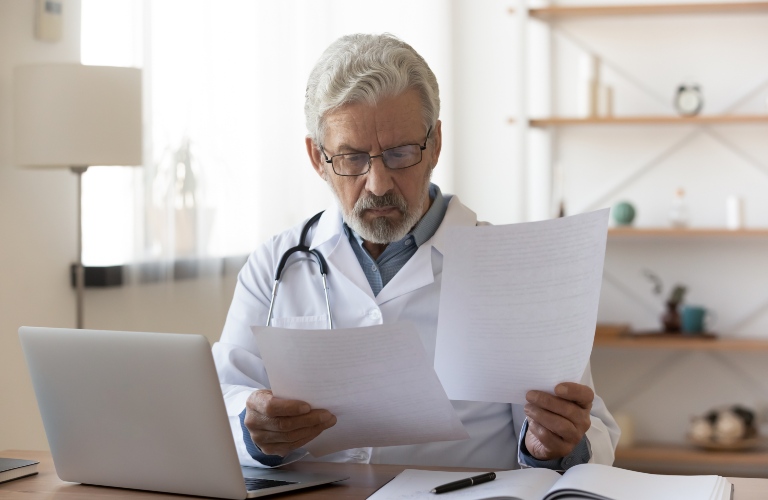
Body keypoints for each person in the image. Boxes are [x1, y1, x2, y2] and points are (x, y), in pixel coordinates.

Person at [212, 33, 619, 470]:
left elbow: (586, 432)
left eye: (400, 153)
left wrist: (553, 447)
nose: (379, 184)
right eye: (352, 158)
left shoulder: (514, 270)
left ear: (436, 144)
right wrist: (255, 431)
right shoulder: (275, 264)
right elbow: (222, 402)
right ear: (317, 158)